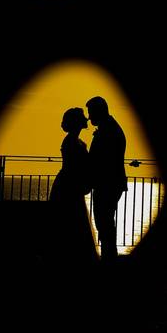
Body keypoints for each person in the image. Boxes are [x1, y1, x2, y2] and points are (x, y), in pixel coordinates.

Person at [47, 107, 97, 264]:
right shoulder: (72, 142)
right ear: (77, 122)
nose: (86, 119)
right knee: (71, 223)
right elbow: (75, 167)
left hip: (68, 185)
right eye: (82, 117)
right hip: (69, 187)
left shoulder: (74, 141)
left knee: (71, 223)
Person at [86, 96, 127, 260]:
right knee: (105, 223)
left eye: (91, 113)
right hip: (110, 183)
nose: (89, 117)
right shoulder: (110, 127)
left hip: (107, 184)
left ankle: (109, 259)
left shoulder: (108, 131)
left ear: (99, 111)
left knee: (105, 223)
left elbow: (102, 160)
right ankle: (109, 257)